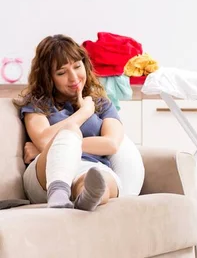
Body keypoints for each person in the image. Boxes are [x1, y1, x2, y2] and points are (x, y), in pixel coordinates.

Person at [14, 34, 135, 210]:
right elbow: (43, 140)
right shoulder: (37, 103)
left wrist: (59, 145)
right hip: (46, 173)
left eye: (77, 66)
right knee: (70, 129)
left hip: (92, 167)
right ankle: (57, 193)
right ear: (49, 77)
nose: (74, 77)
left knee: (99, 180)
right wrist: (84, 112)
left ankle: (86, 198)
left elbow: (111, 144)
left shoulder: (102, 104)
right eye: (61, 72)